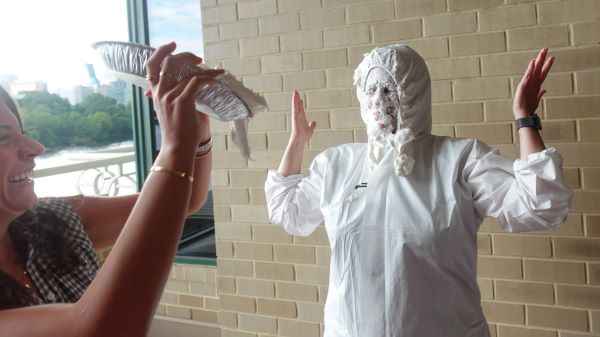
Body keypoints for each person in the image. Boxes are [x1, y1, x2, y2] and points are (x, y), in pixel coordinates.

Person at [265, 45, 572, 337]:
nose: (377, 102)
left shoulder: (458, 160)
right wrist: (297, 142)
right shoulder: (337, 165)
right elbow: (287, 210)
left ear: (414, 94)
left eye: (388, 90)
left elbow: (540, 205)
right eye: (370, 90)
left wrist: (525, 118)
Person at [0, 42, 222, 336]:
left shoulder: (53, 220)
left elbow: (188, 201)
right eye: (3, 137)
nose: (36, 148)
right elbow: (103, 328)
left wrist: (198, 135)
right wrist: (175, 146)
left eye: (22, 133)